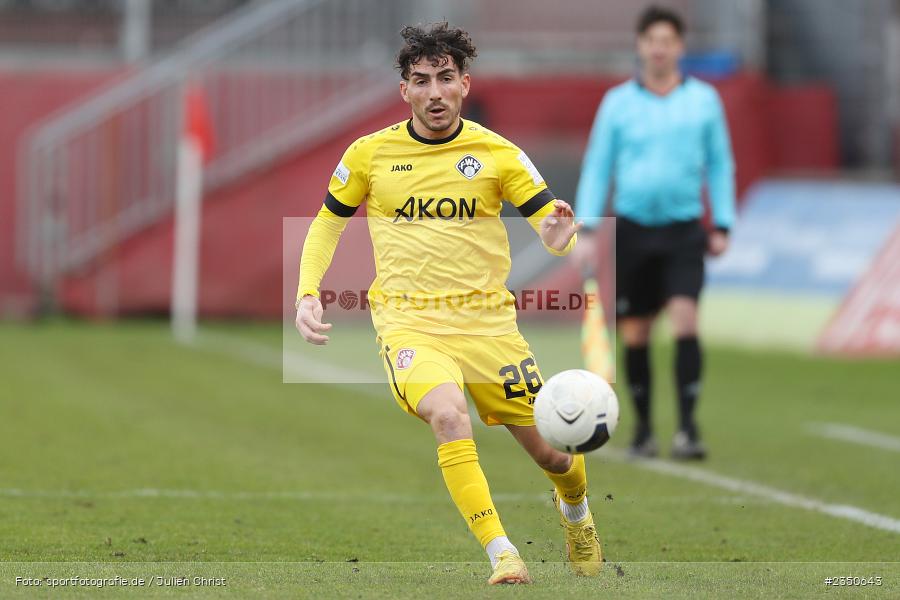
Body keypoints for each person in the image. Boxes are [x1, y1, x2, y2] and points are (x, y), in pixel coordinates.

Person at [295, 22, 602, 584]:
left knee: (554, 455)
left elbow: (553, 232)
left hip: (489, 326)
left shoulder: (498, 153)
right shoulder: (369, 154)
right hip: (410, 323)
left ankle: (576, 512)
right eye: (421, 81)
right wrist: (307, 293)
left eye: (445, 78)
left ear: (465, 83)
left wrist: (560, 234)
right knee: (447, 413)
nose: (434, 92)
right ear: (404, 91)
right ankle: (502, 552)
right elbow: (325, 227)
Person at [573, 6, 736, 460]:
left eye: (668, 40)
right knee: (636, 331)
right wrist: (585, 228)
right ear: (641, 45)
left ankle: (687, 428)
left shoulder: (703, 101)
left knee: (686, 319)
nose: (660, 48)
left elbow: (720, 163)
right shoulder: (618, 103)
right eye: (652, 40)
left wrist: (722, 222)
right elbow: (598, 166)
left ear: (680, 47)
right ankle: (643, 430)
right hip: (633, 231)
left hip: (685, 231)